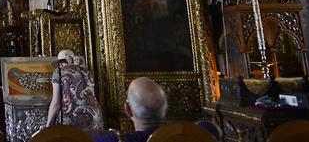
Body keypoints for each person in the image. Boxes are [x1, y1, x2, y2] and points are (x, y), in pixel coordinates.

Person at [90, 77, 219, 142]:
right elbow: (210, 127)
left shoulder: (116, 139)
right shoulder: (199, 134)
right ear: (166, 110)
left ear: (128, 110)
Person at [46, 49, 103, 129]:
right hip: (95, 116)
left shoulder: (59, 72)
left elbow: (56, 102)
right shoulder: (86, 71)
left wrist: (48, 124)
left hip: (73, 118)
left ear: (60, 63)